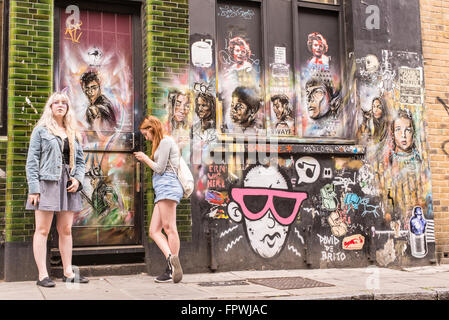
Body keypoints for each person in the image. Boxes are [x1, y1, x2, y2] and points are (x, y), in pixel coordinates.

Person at [25, 92, 88, 287]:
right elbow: (32, 161)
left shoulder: (72, 132)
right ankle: (43, 275)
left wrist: (78, 179)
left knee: (66, 229)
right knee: (42, 230)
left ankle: (68, 272)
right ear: (50, 107)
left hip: (68, 185)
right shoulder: (41, 130)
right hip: (47, 183)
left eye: (64, 103)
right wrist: (34, 189)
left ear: (68, 108)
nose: (60, 105)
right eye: (56, 102)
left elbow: (79, 161)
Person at [134, 115, 184, 283]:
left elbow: (160, 169)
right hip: (163, 189)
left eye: (145, 134)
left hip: (168, 187)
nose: (146, 138)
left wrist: (145, 158)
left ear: (151, 129)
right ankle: (172, 260)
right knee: (154, 231)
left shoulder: (165, 142)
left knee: (170, 228)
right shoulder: (164, 142)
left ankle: (171, 266)